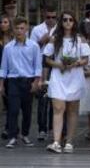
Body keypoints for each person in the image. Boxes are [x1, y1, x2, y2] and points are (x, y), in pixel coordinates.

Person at [44, 11, 90, 153]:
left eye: (71, 19)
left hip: (75, 76)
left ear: (74, 22)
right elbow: (47, 58)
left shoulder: (80, 39)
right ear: (61, 22)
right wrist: (59, 65)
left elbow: (86, 59)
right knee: (58, 108)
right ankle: (57, 141)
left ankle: (69, 141)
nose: (68, 22)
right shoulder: (54, 38)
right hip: (59, 75)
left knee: (72, 110)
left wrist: (76, 63)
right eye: (65, 20)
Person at [0, 16, 42, 148]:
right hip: (13, 81)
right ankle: (12, 136)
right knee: (13, 110)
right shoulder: (8, 48)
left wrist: (36, 82)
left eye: (22, 28)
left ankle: (25, 134)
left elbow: (37, 66)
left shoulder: (34, 46)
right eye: (17, 28)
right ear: (13, 30)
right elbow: (3, 67)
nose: (19, 31)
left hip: (28, 81)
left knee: (27, 110)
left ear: (27, 29)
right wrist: (1, 84)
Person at [30, 5, 57, 141]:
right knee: (42, 99)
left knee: (54, 98)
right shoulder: (36, 29)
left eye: (53, 17)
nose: (51, 20)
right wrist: (42, 41)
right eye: (48, 17)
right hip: (41, 65)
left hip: (55, 65)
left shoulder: (59, 29)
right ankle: (42, 128)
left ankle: (53, 127)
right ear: (43, 15)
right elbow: (32, 50)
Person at [0, 15, 13, 140]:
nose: (3, 24)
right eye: (1, 22)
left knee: (10, 103)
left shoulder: (14, 39)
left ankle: (8, 127)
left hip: (10, 74)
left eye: (5, 22)